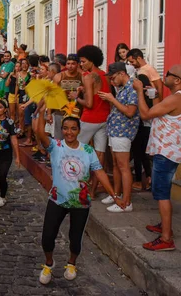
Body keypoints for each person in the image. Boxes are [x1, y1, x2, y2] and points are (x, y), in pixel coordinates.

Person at [34, 104, 124, 285]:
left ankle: (71, 263)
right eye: (65, 128)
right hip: (57, 200)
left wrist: (114, 195)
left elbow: (99, 173)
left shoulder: (88, 151)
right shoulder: (55, 146)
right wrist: (42, 110)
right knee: (47, 236)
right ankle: (49, 264)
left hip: (80, 202)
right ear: (62, 130)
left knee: (75, 238)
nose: (69, 132)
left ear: (79, 130)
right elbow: (39, 132)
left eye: (73, 129)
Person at [132, 65, 181, 252]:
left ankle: (166, 238)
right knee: (161, 193)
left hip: (166, 153)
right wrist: (153, 95)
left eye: (168, 75)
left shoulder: (176, 98)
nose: (164, 76)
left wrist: (139, 93)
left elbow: (146, 114)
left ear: (177, 81)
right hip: (168, 150)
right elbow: (159, 108)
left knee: (162, 195)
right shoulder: (180, 97)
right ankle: (164, 226)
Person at [97, 62, 140, 213]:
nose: (112, 81)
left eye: (113, 77)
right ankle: (116, 195)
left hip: (123, 132)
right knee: (115, 165)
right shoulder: (122, 88)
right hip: (115, 130)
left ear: (122, 74)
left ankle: (126, 202)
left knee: (124, 167)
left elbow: (130, 112)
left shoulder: (132, 88)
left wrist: (112, 99)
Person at [74, 45, 110, 198]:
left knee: (76, 152)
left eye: (83, 61)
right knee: (99, 157)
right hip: (105, 118)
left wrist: (76, 98)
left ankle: (76, 187)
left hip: (89, 119)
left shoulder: (88, 77)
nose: (81, 64)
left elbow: (89, 104)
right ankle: (93, 191)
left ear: (91, 61)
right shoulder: (105, 75)